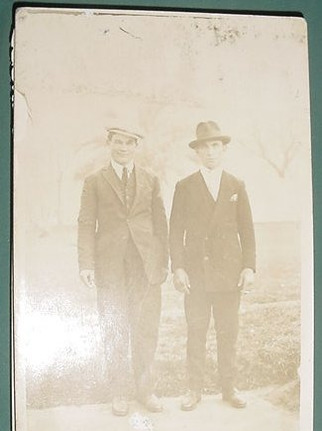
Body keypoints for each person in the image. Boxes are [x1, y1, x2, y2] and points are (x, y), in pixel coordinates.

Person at [78, 126, 168, 416]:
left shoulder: (151, 179)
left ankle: (146, 390)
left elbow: (160, 223)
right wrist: (86, 264)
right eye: (119, 142)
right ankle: (120, 392)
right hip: (110, 267)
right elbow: (85, 223)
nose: (124, 147)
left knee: (145, 329)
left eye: (130, 143)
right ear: (109, 143)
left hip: (145, 267)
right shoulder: (94, 181)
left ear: (137, 146)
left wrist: (162, 262)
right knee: (115, 328)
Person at [169, 121, 256, 410]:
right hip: (195, 275)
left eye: (215, 146)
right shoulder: (184, 186)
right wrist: (178, 268)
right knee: (196, 331)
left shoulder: (236, 185)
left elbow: (247, 230)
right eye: (204, 147)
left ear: (224, 149)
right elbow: (174, 231)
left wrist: (249, 267)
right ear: (197, 152)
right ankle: (193, 390)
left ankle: (229, 388)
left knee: (228, 332)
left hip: (230, 274)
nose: (210, 153)